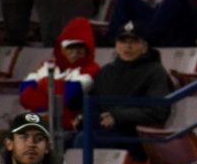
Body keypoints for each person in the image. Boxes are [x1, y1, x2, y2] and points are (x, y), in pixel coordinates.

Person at [74, 18, 172, 155]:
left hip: (135, 136)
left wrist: (118, 117)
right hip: (104, 131)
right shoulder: (105, 71)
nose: (128, 46)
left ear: (144, 47)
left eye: (134, 42)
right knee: (60, 139)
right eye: (123, 41)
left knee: (83, 139)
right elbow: (94, 104)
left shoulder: (155, 72)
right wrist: (85, 119)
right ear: (116, 45)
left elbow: (157, 112)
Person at [18, 16, 97, 131]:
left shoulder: (91, 70)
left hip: (67, 128)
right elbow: (25, 96)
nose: (75, 52)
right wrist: (54, 90)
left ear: (87, 50)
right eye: (70, 48)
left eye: (80, 48)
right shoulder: (47, 65)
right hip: (36, 126)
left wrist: (44, 83)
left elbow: (69, 96)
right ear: (62, 50)